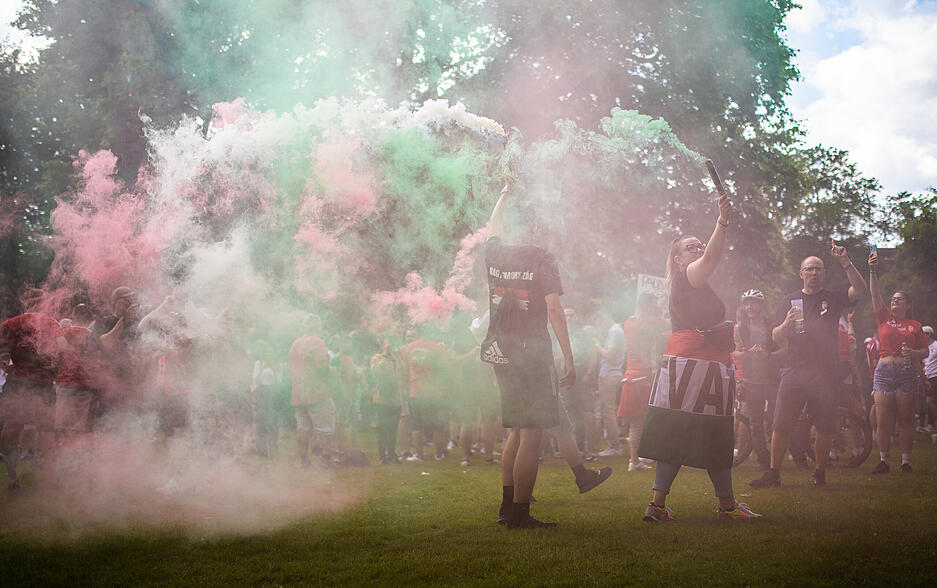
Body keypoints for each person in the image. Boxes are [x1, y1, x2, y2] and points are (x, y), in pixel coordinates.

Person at [637, 190, 760, 522]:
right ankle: (727, 507)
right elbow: (713, 258)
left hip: (688, 363)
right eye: (691, 247)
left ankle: (658, 506)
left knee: (679, 432)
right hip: (699, 363)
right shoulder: (688, 276)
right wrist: (722, 220)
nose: (699, 249)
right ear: (678, 259)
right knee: (713, 431)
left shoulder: (690, 283)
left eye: (699, 245)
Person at [482, 177, 575, 529]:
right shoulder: (541, 258)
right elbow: (554, 309)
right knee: (531, 434)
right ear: (533, 225)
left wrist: (505, 191)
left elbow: (492, 225)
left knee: (516, 432)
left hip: (499, 352)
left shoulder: (494, 252)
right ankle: (520, 513)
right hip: (532, 354)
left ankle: (507, 507)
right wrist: (568, 355)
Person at [750, 242, 866, 489]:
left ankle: (820, 472)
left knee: (824, 425)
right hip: (794, 371)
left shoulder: (832, 298)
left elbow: (860, 289)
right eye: (809, 269)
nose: (814, 273)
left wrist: (845, 262)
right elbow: (776, 337)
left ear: (823, 274)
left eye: (818, 269)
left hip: (824, 373)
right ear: (801, 273)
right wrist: (786, 324)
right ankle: (773, 473)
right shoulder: (789, 300)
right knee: (781, 423)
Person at [867, 252, 927, 474]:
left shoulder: (915, 324)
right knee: (882, 419)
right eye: (892, 299)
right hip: (884, 371)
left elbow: (925, 350)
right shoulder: (884, 317)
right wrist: (872, 270)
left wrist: (914, 352)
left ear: (907, 304)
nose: (894, 301)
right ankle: (883, 460)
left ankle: (905, 462)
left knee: (905, 419)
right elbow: (874, 294)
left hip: (906, 371)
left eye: (898, 299)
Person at [0, 311, 60, 490]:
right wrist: (4, 360)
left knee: (43, 430)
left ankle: (20, 479)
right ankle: (14, 478)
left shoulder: (50, 325)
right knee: (17, 430)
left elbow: (57, 355)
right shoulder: (12, 325)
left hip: (36, 384)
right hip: (22, 384)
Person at [732, 289, 782, 471]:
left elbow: (785, 350)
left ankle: (796, 456)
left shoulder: (771, 325)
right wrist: (746, 354)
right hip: (751, 382)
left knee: (780, 420)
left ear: (761, 305)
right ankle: (764, 460)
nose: (749, 307)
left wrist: (768, 355)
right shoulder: (741, 328)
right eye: (746, 303)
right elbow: (734, 353)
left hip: (772, 381)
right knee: (755, 424)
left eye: (753, 303)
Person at [619, 293, 668, 471]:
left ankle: (639, 456)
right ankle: (634, 461)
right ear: (647, 306)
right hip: (642, 379)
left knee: (641, 421)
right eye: (653, 305)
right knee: (639, 422)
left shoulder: (629, 321)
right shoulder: (647, 323)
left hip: (633, 377)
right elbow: (669, 324)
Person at [288, 315, 335, 468]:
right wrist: (330, 370)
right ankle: (325, 459)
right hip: (317, 391)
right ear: (317, 327)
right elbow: (322, 366)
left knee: (303, 428)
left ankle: (304, 460)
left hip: (298, 393)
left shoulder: (295, 343)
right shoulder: (317, 342)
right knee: (325, 426)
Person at [593, 308, 626, 457]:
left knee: (608, 411)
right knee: (608, 410)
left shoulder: (614, 331)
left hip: (610, 375)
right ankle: (613, 445)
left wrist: (597, 346)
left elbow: (610, 356)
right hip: (611, 374)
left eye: (600, 321)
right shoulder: (616, 331)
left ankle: (615, 446)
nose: (600, 325)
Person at [370, 334, 404, 464]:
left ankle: (391, 453)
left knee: (393, 428)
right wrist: (385, 355)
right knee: (383, 428)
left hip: (396, 399)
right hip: (382, 399)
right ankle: (382, 456)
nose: (390, 345)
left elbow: (403, 372)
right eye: (387, 343)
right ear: (381, 345)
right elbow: (376, 372)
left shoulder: (396, 359)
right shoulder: (377, 358)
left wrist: (397, 357)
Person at [922, 326, 937, 431]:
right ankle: (931, 424)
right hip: (927, 376)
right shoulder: (924, 348)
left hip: (934, 376)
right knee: (930, 401)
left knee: (930, 401)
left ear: (929, 334)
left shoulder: (935, 345)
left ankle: (933, 424)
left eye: (924, 334)